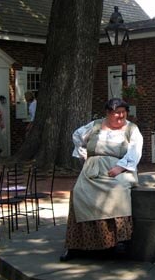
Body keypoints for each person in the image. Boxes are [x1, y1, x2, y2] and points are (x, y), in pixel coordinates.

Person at [60, 98, 143, 261]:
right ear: (108, 113)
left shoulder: (131, 129)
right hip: (92, 169)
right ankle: (76, 244)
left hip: (118, 169)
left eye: (123, 112)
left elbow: (135, 150)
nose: (121, 116)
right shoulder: (95, 125)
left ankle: (119, 241)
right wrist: (86, 156)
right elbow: (77, 136)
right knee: (78, 192)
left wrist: (121, 167)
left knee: (118, 191)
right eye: (117, 113)